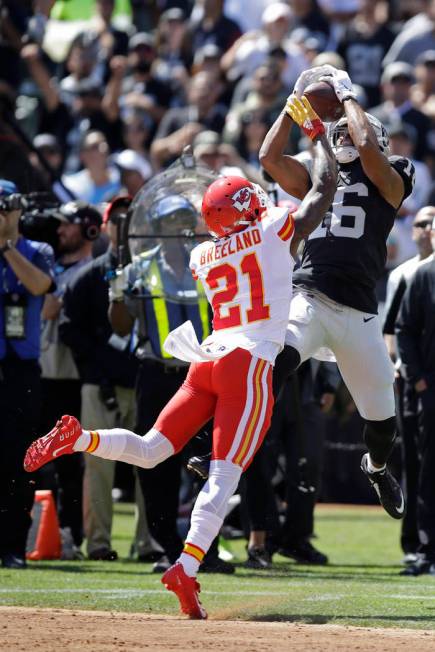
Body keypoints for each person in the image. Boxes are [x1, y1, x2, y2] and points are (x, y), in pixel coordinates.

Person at [24, 94, 337, 618]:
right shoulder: (269, 227)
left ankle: (80, 437)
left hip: (206, 360)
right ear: (244, 206)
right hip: (250, 360)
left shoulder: (202, 253)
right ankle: (186, 568)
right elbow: (323, 191)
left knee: (151, 448)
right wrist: (318, 138)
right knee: (225, 473)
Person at [260, 64, 416, 521]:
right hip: (309, 295)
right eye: (339, 133)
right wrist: (294, 105)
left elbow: (368, 147)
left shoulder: (392, 176)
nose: (343, 136)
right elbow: (269, 158)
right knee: (272, 363)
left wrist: (346, 98)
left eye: (349, 132)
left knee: (383, 424)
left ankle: (377, 467)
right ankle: (224, 446)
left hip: (360, 314)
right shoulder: (321, 176)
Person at [59, 196, 142, 561]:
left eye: (129, 220)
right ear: (105, 227)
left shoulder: (148, 274)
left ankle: (149, 542)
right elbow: (68, 329)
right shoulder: (88, 276)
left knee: (151, 466)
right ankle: (98, 544)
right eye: (117, 220)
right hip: (99, 384)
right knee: (97, 467)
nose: (122, 227)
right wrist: (99, 359)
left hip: (141, 383)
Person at [39, 200, 102, 558]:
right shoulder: (48, 264)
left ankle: (71, 533)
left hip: (72, 374)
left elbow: (52, 309)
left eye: (68, 224)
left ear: (89, 229)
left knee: (69, 458)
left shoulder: (91, 272)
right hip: (41, 368)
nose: (60, 230)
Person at [0, 180, 55, 568]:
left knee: (20, 459)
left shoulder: (37, 251)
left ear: (17, 210)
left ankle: (13, 546)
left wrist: (5, 248)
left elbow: (40, 284)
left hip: (21, 370)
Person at [383, 205, 435, 565]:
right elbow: (397, 329)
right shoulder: (411, 275)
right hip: (423, 386)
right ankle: (420, 546)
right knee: (421, 466)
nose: (429, 229)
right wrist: (413, 377)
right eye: (423, 223)